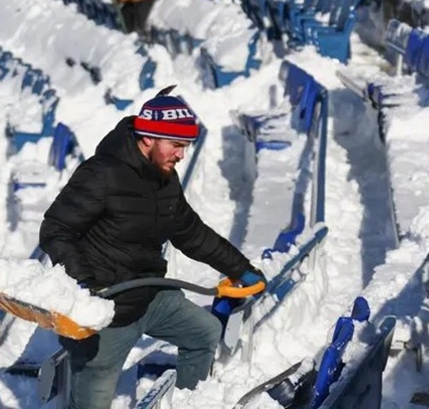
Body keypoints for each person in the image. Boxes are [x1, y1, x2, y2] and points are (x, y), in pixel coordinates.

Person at [39, 92, 266, 409]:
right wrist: (85, 285)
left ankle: (187, 404)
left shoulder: (164, 177)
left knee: (203, 333)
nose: (181, 155)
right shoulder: (101, 174)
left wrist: (240, 269)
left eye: (185, 146)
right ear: (148, 137)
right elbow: (55, 230)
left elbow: (191, 232)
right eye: (176, 145)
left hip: (149, 296)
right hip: (106, 310)